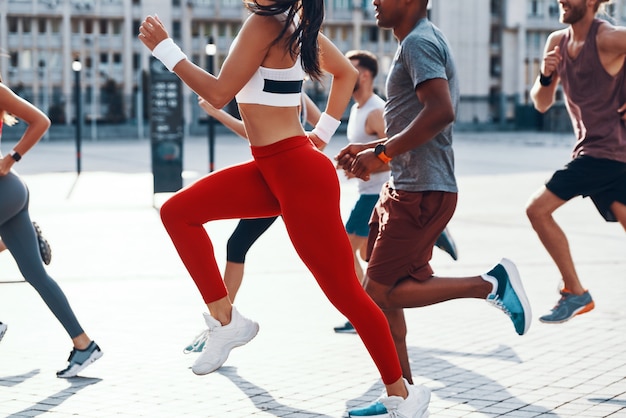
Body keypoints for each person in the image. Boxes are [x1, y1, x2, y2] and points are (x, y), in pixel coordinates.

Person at [139, 2, 427, 416]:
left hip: (297, 174)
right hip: (273, 168)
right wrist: (322, 134)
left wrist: (166, 50)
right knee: (178, 213)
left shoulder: (266, 24)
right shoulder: (291, 24)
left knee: (345, 292)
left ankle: (402, 395)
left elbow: (220, 93)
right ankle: (226, 321)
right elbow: (345, 73)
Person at [336, 1, 531, 415]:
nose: (373, 1)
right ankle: (401, 395)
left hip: (420, 191)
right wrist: (373, 151)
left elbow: (441, 111)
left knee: (376, 293)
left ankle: (491, 284)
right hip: (407, 187)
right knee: (383, 294)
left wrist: (382, 153)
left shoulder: (419, 43)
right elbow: (417, 117)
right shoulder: (418, 40)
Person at [184, 93, 321, 353]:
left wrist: (216, 113)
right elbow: (318, 126)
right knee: (236, 245)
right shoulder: (297, 95)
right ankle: (223, 321)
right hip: (278, 178)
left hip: (282, 181)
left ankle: (224, 322)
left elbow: (251, 133)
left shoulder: (286, 94)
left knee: (325, 257)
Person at [333, 50, 458, 335]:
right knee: (368, 256)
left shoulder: (376, 109)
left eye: (349, 69)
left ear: (364, 75)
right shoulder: (356, 109)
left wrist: (362, 169)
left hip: (376, 194)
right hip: (367, 192)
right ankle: (374, 309)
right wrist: (354, 167)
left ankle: (363, 312)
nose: (341, 74)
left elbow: (397, 154)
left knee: (344, 250)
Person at [527, 0, 626, 324]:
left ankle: (575, 291)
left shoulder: (609, 38)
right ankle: (575, 291)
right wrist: (545, 75)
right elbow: (541, 104)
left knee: (537, 210)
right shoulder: (557, 42)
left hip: (604, 155)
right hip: (603, 155)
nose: (562, 1)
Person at [0, 74, 102, 377]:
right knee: (36, 275)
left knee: (36, 275)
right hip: (12, 194)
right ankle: (84, 346)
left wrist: (11, 157)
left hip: (4, 190)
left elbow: (41, 121)